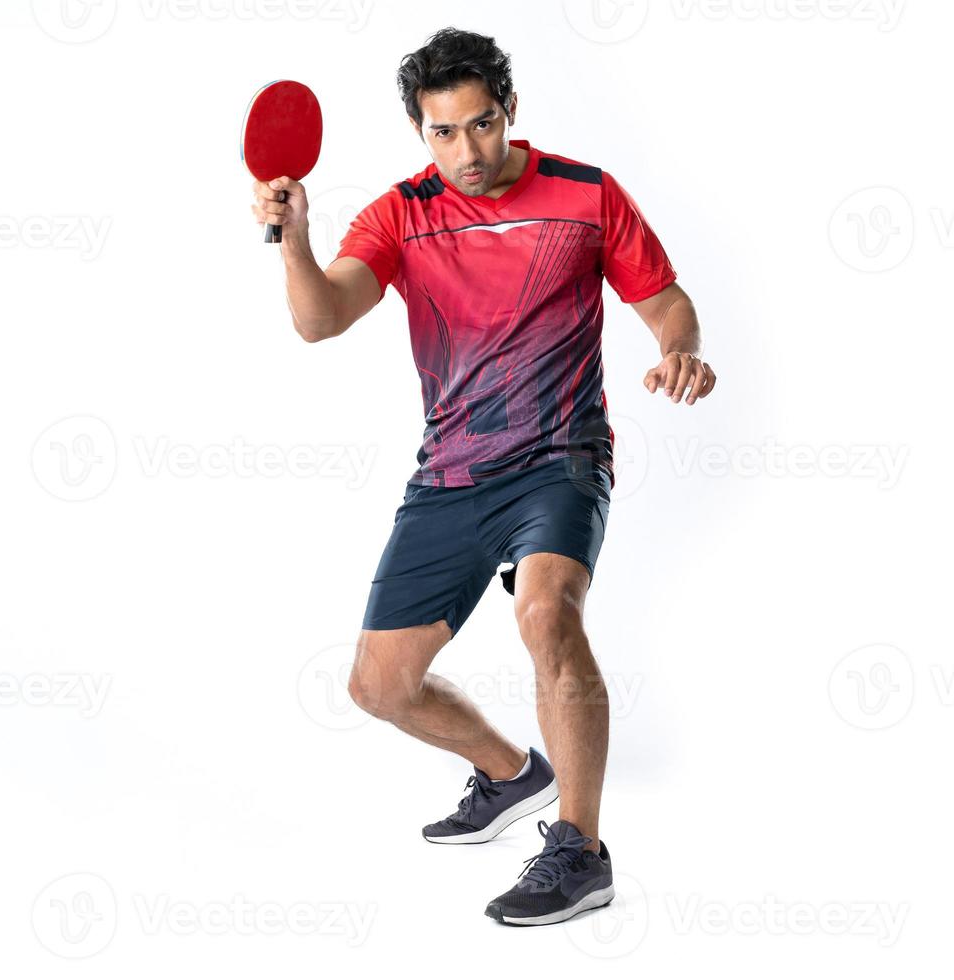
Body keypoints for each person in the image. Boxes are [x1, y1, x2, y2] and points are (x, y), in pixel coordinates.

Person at [249, 27, 716, 926]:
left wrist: (681, 351)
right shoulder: (401, 212)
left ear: (510, 112)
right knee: (378, 687)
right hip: (454, 475)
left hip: (560, 459)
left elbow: (665, 302)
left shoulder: (585, 195)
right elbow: (320, 319)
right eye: (442, 132)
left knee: (546, 612)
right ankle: (513, 773)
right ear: (419, 132)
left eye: (482, 124)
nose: (467, 151)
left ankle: (579, 850)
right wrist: (294, 241)